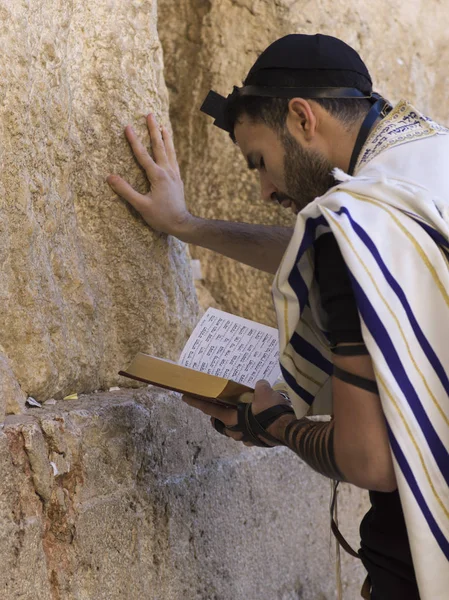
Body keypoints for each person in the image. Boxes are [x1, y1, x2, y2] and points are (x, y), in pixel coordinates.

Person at [107, 34, 449, 600]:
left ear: (301, 118)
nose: (265, 188)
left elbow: (370, 462)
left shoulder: (356, 226)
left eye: (260, 161)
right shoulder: (424, 163)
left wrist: (272, 424)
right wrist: (187, 226)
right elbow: (316, 250)